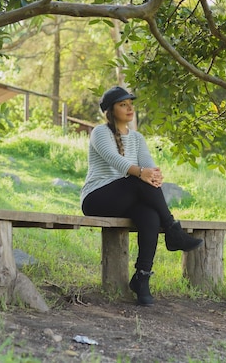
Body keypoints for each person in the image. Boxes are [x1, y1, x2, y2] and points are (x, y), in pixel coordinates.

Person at [81, 86, 203, 306]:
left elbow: (147, 165)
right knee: (139, 181)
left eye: (130, 104)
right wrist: (142, 174)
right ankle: (173, 231)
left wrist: (154, 176)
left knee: (149, 216)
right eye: (123, 105)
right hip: (97, 197)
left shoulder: (136, 138)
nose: (129, 108)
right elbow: (115, 160)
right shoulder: (101, 132)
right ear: (110, 110)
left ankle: (142, 277)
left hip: (127, 197)